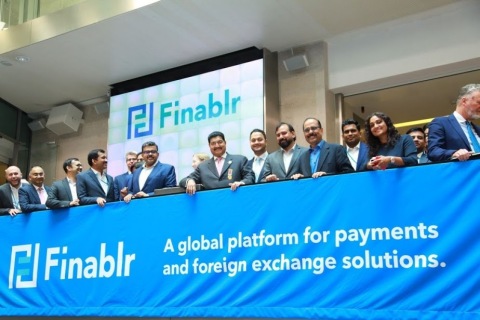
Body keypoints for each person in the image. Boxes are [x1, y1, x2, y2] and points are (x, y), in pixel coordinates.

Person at [179, 131, 254, 195]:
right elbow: (183, 181)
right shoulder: (203, 166)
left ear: (225, 143)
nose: (217, 145)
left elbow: (250, 177)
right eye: (213, 143)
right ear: (209, 146)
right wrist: (190, 181)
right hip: (212, 205)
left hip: (236, 202)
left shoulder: (240, 160)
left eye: (220, 142)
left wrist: (242, 183)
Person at [428, 83, 480, 162]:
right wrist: (454, 153)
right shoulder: (441, 123)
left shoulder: (477, 129)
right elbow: (433, 151)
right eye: (479, 102)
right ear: (464, 101)